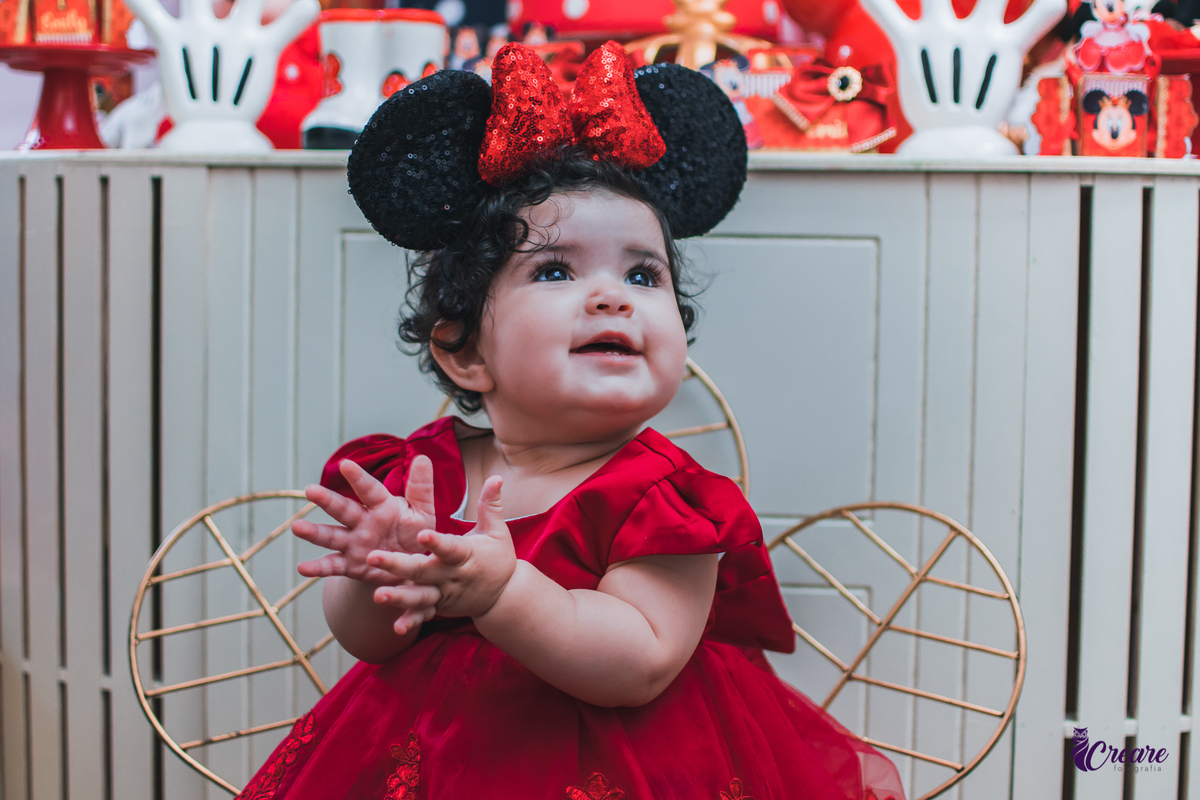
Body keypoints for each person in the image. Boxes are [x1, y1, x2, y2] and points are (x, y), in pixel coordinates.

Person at [237, 41, 906, 800]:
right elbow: (367, 642)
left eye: (642, 273)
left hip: (629, 770)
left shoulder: (666, 501)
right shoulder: (418, 479)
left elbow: (640, 663)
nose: (612, 296)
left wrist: (501, 595)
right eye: (555, 271)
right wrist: (375, 577)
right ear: (464, 353)